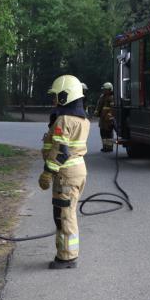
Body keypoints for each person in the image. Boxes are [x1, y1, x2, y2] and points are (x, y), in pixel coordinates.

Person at [38, 75, 90, 269]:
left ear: (65, 96)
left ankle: (67, 257)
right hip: (77, 171)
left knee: (64, 216)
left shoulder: (64, 120)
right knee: (67, 213)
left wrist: (47, 173)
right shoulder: (82, 120)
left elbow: (61, 151)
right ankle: (66, 253)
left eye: (56, 96)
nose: (53, 100)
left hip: (65, 174)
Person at [95, 82, 115, 152]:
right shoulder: (102, 97)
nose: (104, 91)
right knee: (102, 133)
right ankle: (105, 146)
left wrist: (109, 115)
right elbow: (99, 105)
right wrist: (96, 112)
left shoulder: (112, 97)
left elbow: (113, 108)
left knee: (109, 133)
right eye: (103, 89)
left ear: (110, 89)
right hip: (102, 118)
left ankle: (109, 147)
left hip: (108, 119)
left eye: (105, 89)